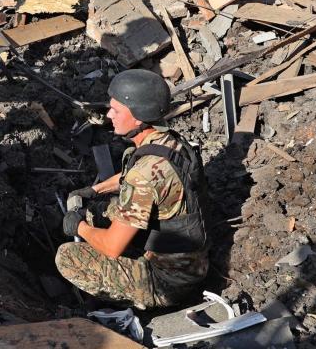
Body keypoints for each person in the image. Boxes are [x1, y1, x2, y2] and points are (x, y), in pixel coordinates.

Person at [56, 69, 210, 309]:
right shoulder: (170, 142)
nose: (109, 115)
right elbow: (136, 176)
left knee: (67, 257)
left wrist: (79, 227)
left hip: (166, 283)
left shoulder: (143, 175)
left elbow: (111, 247)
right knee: (103, 208)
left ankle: (127, 303)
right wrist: (95, 190)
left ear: (138, 117)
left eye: (116, 110)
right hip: (193, 263)